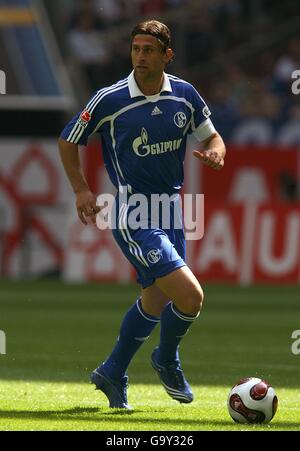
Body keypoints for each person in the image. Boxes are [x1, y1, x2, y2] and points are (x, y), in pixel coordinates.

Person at [58, 20, 226, 410]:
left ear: (167, 55)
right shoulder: (109, 99)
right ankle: (166, 359)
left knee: (155, 299)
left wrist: (217, 151)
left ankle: (112, 372)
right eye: (135, 49)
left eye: (149, 50)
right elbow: (69, 139)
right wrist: (81, 188)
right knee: (190, 296)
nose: (140, 57)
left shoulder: (184, 94)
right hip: (133, 212)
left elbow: (211, 135)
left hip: (172, 210)